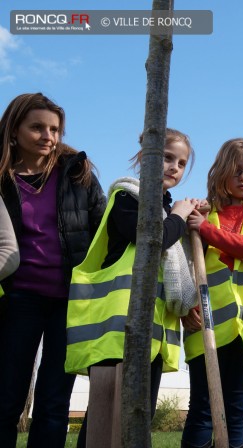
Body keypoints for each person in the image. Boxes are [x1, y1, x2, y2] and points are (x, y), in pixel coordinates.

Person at [66, 128, 198, 446]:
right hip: (119, 333)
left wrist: (184, 218)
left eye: (181, 163)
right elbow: (152, 240)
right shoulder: (128, 197)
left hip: (150, 338)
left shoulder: (167, 210)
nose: (174, 168)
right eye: (167, 158)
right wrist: (179, 215)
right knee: (106, 415)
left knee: (138, 416)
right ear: (144, 158)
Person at [0, 92, 106, 447]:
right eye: (38, 128)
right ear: (13, 131)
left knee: (54, 402)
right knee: (6, 399)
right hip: (18, 300)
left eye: (55, 129)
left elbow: (104, 232)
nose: (48, 136)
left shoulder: (78, 173)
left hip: (70, 302)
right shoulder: (2, 180)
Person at [181, 138, 243, 448]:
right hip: (207, 322)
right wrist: (187, 307)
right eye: (236, 171)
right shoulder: (203, 212)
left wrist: (208, 230)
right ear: (221, 172)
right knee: (201, 408)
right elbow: (183, 263)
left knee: (236, 410)